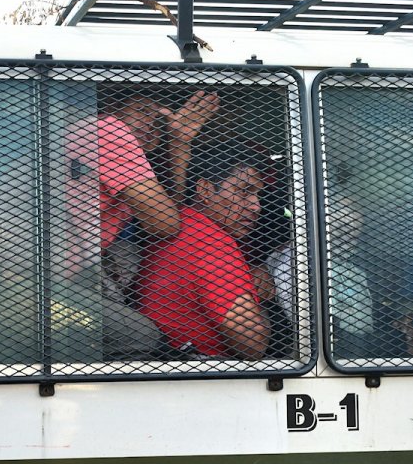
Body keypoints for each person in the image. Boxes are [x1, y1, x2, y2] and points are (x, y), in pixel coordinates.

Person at [62, 88, 218, 359]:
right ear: (113, 107)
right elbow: (165, 224)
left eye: (159, 121)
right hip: (15, 277)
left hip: (49, 275)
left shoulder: (106, 141)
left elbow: (166, 212)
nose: (151, 125)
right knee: (140, 335)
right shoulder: (108, 132)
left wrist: (179, 142)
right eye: (143, 111)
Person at [138, 141, 270, 359]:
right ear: (205, 190)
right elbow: (252, 344)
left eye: (257, 195)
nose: (256, 206)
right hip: (199, 369)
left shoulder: (181, 223)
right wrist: (262, 303)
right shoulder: (210, 243)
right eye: (244, 192)